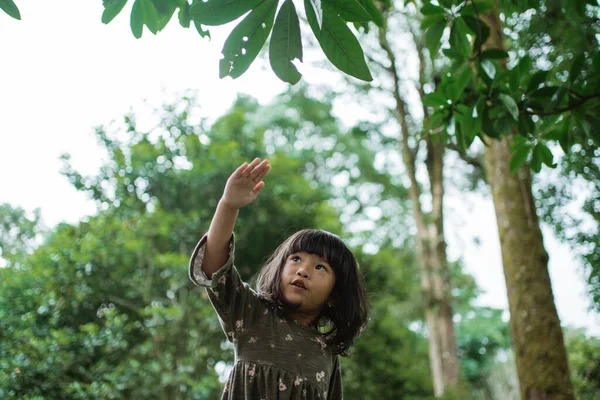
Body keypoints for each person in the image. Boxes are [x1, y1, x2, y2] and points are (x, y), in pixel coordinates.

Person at [189, 158, 370, 399]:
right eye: (296, 259)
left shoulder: (327, 354)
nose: (303, 270)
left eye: (320, 267)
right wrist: (228, 205)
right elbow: (214, 265)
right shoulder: (252, 314)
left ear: (335, 296)